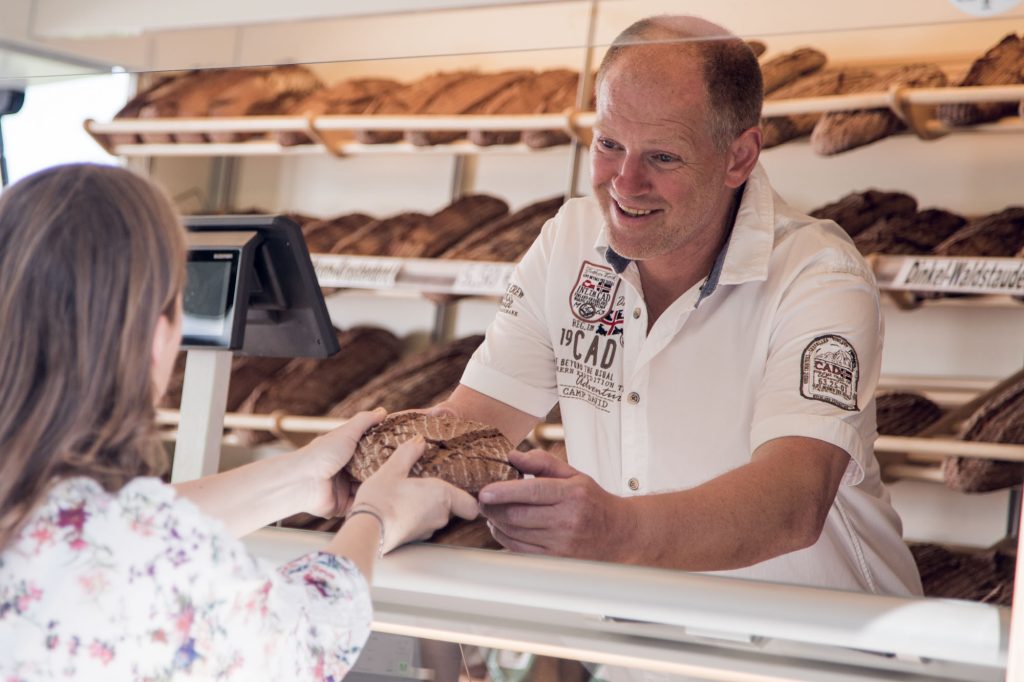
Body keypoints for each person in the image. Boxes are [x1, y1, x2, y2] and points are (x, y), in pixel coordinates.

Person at [434, 15, 923, 597]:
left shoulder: (819, 276)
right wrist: (360, 467)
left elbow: (794, 501)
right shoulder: (568, 241)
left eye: (663, 157)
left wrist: (612, 529)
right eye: (609, 144)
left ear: (739, 157)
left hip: (815, 647)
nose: (625, 182)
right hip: (642, 640)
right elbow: (473, 425)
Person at [0, 163, 478, 680]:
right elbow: (304, 642)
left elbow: (98, 524)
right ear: (156, 338)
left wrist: (298, 478)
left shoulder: (55, 505)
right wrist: (376, 519)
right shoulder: (144, 556)